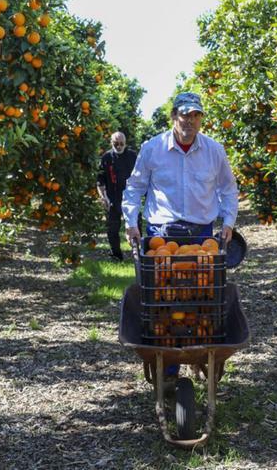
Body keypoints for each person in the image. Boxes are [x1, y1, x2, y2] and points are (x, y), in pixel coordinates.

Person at [121, 92, 239, 379]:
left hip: (201, 235)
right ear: (174, 116)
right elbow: (134, 187)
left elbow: (228, 188)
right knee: (163, 299)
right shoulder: (153, 148)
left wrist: (228, 221)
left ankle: (199, 353)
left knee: (201, 297)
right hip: (161, 233)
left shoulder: (214, 150)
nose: (190, 120)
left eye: (196, 115)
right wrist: (130, 221)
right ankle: (169, 367)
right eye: (185, 114)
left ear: (201, 119)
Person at [97, 132, 139, 261]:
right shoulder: (107, 158)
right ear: (111, 143)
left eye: (121, 144)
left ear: (125, 143)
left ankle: (138, 255)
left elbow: (141, 177)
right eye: (116, 144)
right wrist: (103, 197)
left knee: (135, 227)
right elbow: (100, 180)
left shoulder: (133, 156)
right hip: (113, 199)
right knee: (112, 229)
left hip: (130, 198)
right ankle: (116, 255)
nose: (119, 146)